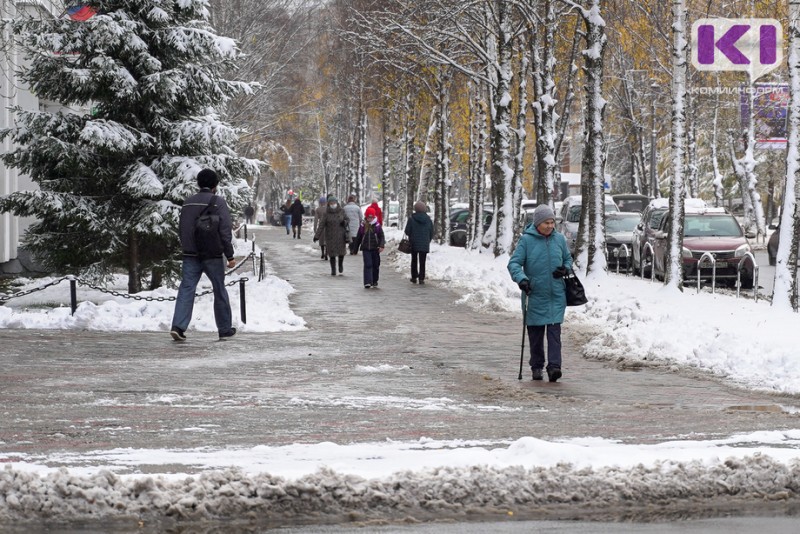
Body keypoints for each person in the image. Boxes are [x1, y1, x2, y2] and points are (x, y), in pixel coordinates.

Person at [507, 204, 572, 382]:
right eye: (547, 223)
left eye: (552, 222)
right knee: (535, 335)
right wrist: (522, 279)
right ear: (538, 223)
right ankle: (536, 366)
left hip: (556, 294)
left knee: (554, 333)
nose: (550, 226)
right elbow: (513, 264)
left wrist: (565, 269)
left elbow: (568, 258)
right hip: (534, 294)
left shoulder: (559, 239)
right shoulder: (526, 241)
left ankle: (554, 367)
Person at [170, 168, 237, 342]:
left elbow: (183, 229)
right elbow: (225, 231)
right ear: (215, 185)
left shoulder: (188, 202)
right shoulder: (218, 202)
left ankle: (178, 326)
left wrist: (187, 248)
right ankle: (224, 328)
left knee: (186, 289)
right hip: (212, 254)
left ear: (198, 183)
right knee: (219, 289)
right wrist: (229, 255)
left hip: (191, 254)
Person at [314, 195, 349, 276]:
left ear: (337, 202)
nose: (333, 204)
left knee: (341, 252)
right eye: (331, 203)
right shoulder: (326, 213)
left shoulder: (341, 211)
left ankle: (340, 264)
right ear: (328, 204)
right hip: (330, 236)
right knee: (332, 254)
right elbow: (321, 225)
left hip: (340, 235)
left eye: (334, 202)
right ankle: (333, 269)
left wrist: (344, 222)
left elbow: (347, 219)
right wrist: (317, 236)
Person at [354, 206, 385, 288]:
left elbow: (381, 236)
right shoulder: (363, 225)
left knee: (375, 265)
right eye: (368, 217)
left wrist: (381, 245)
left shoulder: (377, 226)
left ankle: (374, 280)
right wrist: (355, 248)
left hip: (375, 248)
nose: (370, 218)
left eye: (371, 217)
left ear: (374, 217)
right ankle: (367, 282)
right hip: (366, 248)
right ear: (366, 216)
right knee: (368, 264)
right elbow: (359, 237)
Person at [404, 201, 433, 284]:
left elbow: (407, 231)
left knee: (414, 260)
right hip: (424, 243)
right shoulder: (428, 220)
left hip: (414, 243)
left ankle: (414, 277)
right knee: (422, 261)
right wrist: (428, 240)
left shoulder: (412, 219)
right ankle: (421, 278)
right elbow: (431, 232)